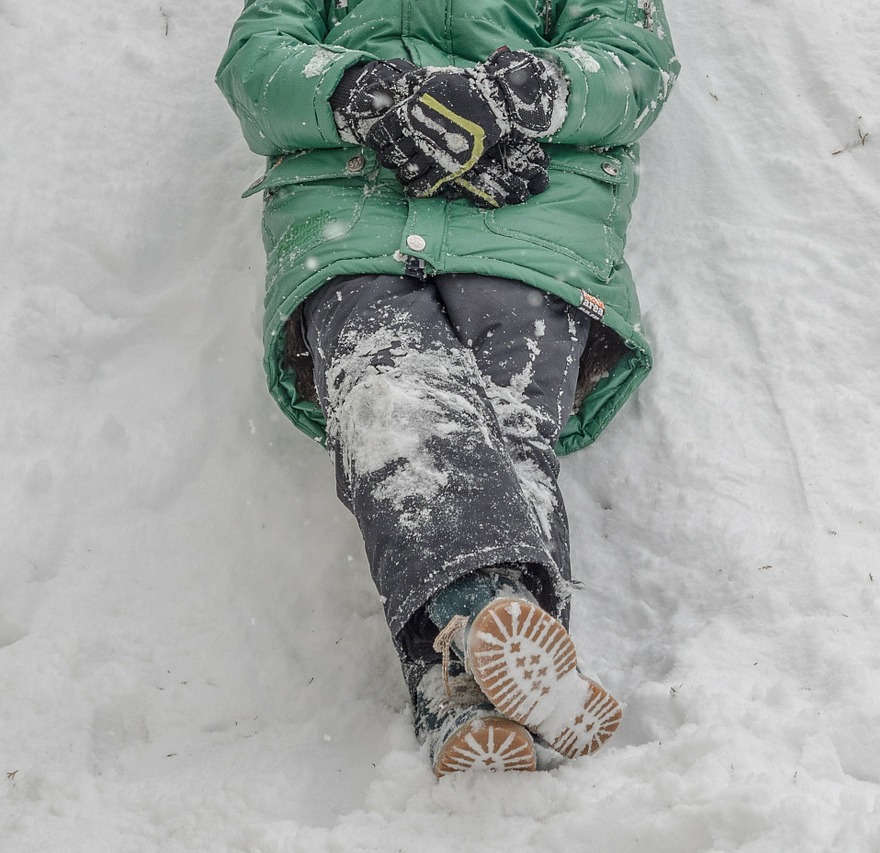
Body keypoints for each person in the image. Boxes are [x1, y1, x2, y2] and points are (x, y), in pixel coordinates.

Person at [215, 0, 678, 775]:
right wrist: (363, 94)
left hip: (530, 225)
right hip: (355, 223)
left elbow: (632, 57)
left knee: (503, 428)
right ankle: (495, 622)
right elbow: (256, 60)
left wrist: (514, 96)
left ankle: (453, 681)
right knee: (389, 394)